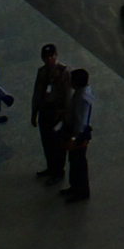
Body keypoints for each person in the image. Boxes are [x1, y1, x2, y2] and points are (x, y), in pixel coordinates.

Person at [31, 45, 72, 182]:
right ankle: (50, 167)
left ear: (56, 55)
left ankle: (58, 171)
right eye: (46, 57)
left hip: (57, 112)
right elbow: (37, 93)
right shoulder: (42, 72)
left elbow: (67, 95)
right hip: (45, 110)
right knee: (47, 141)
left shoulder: (63, 72)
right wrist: (34, 112)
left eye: (51, 56)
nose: (49, 59)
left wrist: (65, 114)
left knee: (58, 143)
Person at [60, 66, 94, 201]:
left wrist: (73, 138)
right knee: (74, 161)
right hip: (78, 132)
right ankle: (75, 187)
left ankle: (81, 191)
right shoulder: (84, 92)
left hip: (78, 135)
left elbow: (80, 121)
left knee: (78, 162)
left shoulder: (82, 97)